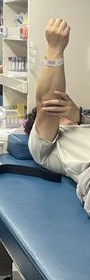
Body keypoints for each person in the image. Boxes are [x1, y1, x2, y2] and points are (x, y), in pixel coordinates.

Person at [25, 18, 90, 215]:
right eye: (59, 116)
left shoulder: (81, 122)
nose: (63, 112)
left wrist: (80, 115)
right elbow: (49, 104)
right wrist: (55, 50)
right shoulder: (43, 149)